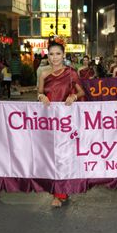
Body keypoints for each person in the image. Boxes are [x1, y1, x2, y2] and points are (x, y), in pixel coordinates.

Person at [38, 37, 85, 207]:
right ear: (48, 56)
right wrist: (41, 96)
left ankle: (61, 192)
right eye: (51, 54)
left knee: (64, 156)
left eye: (58, 53)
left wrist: (73, 96)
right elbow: (40, 93)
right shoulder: (43, 74)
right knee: (52, 156)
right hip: (49, 120)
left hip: (66, 120)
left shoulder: (71, 73)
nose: (55, 57)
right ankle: (57, 191)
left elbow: (81, 92)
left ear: (63, 55)